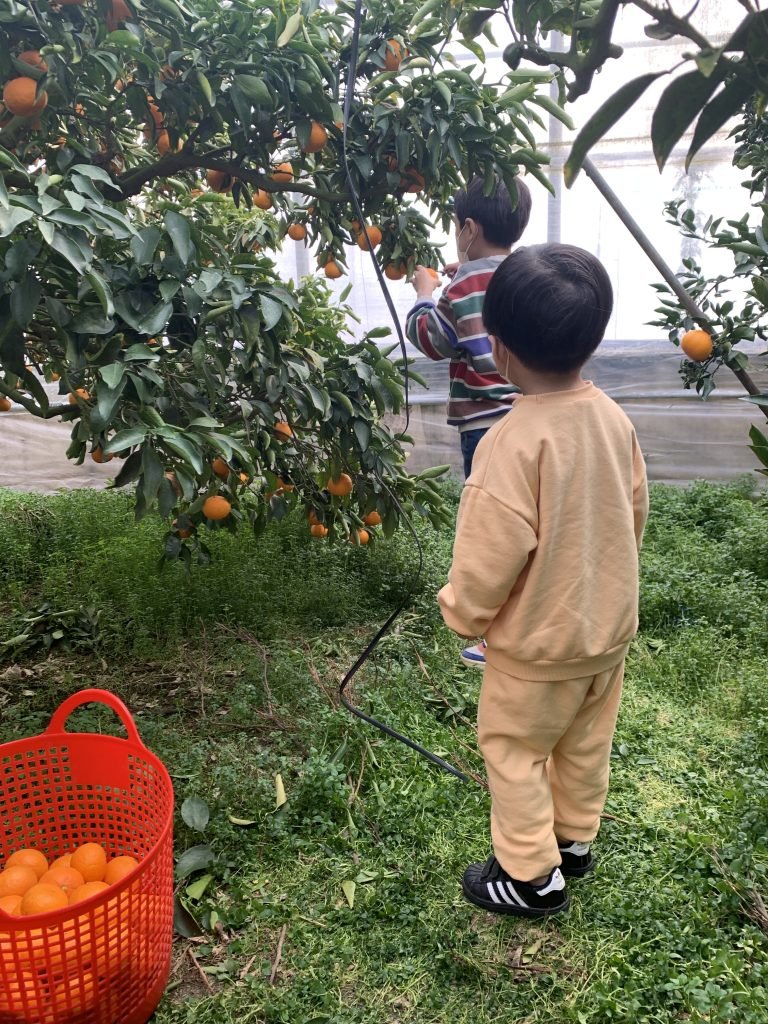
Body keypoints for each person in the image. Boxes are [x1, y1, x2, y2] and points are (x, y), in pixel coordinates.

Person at [438, 244, 649, 918]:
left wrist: (464, 614)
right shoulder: (613, 420)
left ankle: (531, 876)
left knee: (515, 749)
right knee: (585, 743)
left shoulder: (510, 442)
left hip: (536, 652)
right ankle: (574, 841)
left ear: (499, 350)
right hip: (604, 636)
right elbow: (633, 510)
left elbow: (489, 552)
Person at [406, 175, 532, 670]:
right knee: (526, 523)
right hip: (529, 417)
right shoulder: (527, 274)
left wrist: (423, 293)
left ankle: (493, 637)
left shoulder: (459, 287)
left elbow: (432, 339)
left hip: (483, 426)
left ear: (468, 228)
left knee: (491, 527)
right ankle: (526, 621)